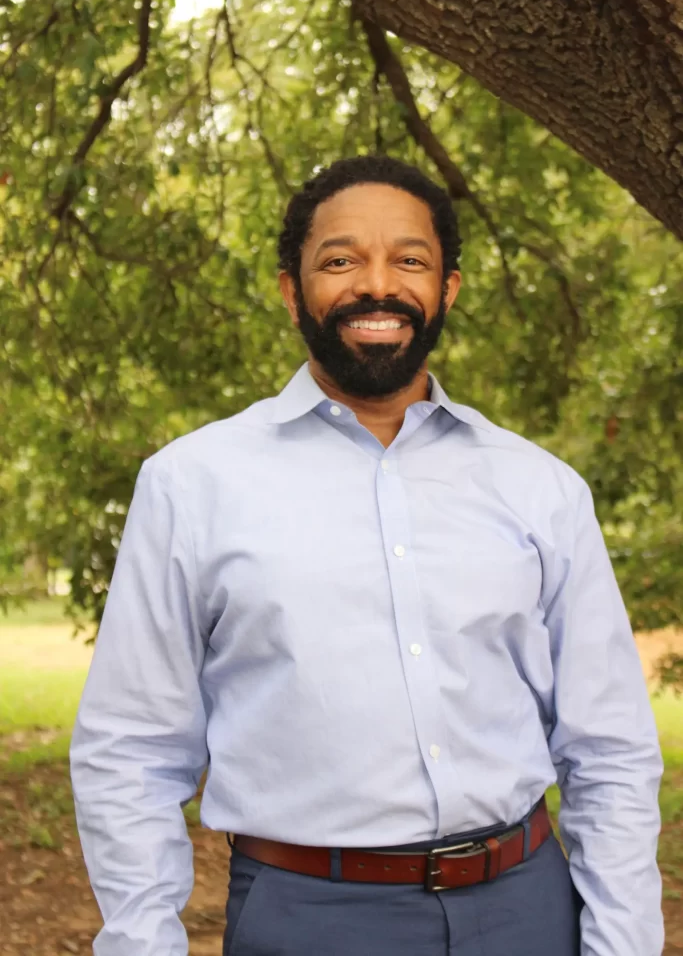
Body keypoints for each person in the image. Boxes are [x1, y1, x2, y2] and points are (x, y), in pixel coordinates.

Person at [70, 155, 664, 956]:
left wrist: (620, 942)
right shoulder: (191, 483)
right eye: (340, 260)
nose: (376, 285)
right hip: (306, 917)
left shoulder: (540, 488)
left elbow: (609, 749)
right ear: (292, 291)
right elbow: (130, 749)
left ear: (446, 289)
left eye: (409, 260)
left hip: (525, 910)